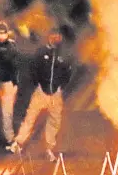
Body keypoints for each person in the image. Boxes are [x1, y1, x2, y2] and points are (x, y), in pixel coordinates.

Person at [8, 28, 72, 162]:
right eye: (53, 35)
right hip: (41, 92)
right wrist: (38, 84)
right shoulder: (41, 52)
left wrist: (61, 87)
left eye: (58, 36)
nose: (56, 38)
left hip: (56, 94)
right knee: (30, 117)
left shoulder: (63, 55)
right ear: (49, 36)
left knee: (54, 121)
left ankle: (49, 149)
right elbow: (33, 69)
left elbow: (67, 73)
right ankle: (18, 143)